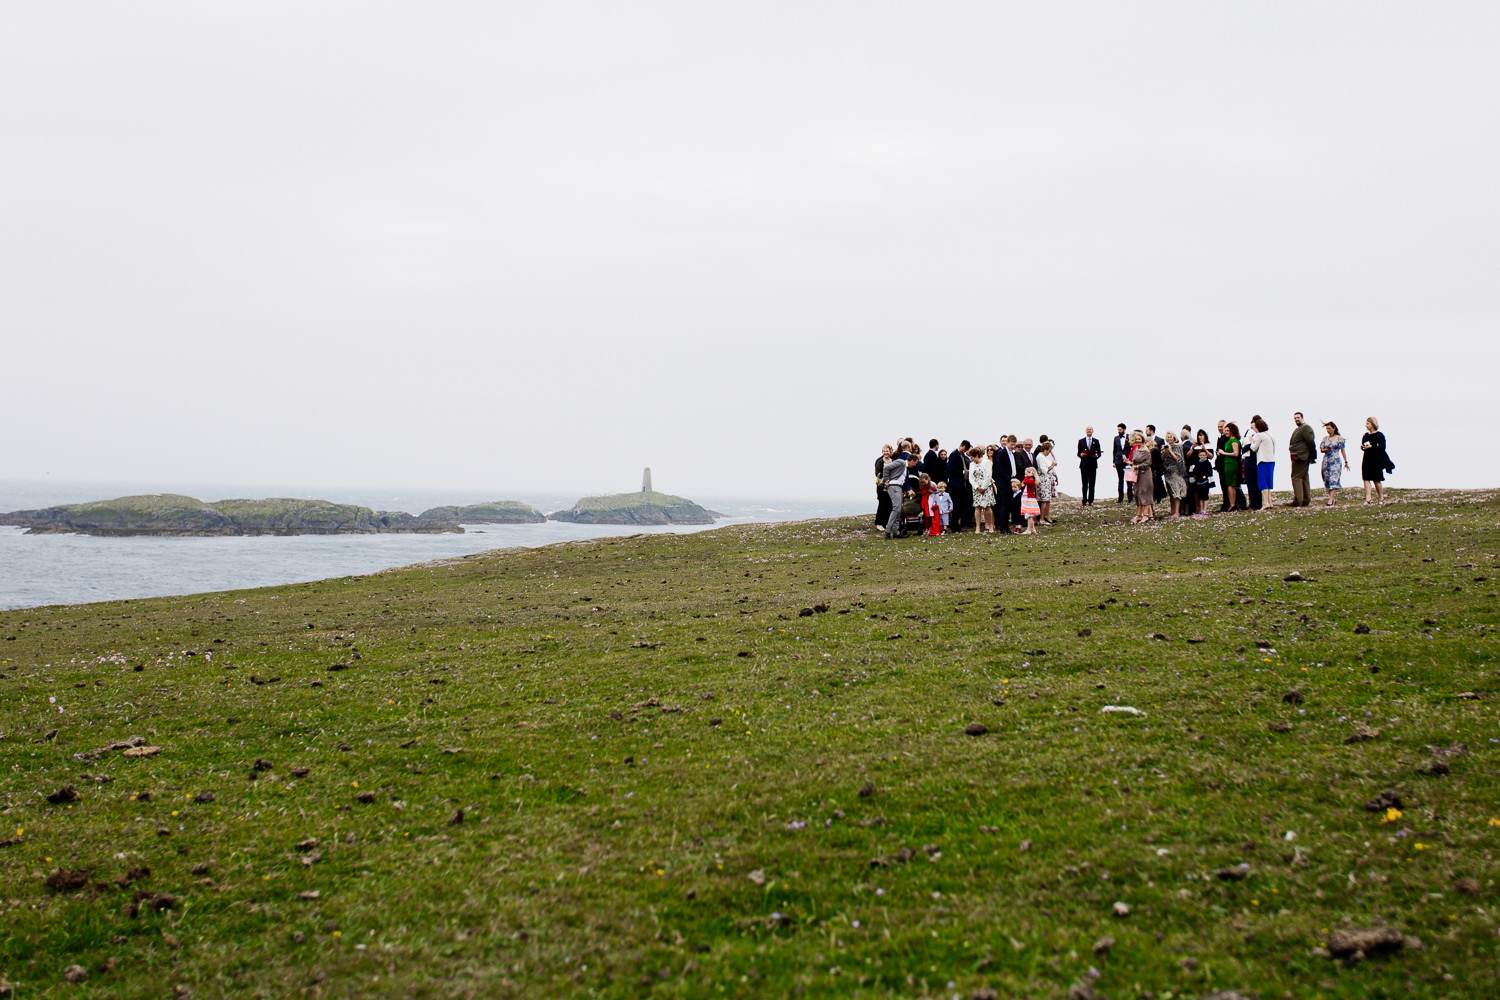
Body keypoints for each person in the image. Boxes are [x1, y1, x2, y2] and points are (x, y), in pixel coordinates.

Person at [1288, 412, 1316, 507]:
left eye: (1298, 418)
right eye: (1295, 418)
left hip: (1301, 457)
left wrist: (1312, 455)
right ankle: (1305, 499)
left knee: (1296, 477)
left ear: (1302, 418)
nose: (1296, 420)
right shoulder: (1300, 429)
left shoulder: (1305, 428)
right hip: (1300, 456)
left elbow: (1311, 442)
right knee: (1304, 477)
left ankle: (1298, 501)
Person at [880, 449, 909, 539]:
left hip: (898, 487)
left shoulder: (905, 467)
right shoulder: (901, 462)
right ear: (912, 461)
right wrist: (886, 480)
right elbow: (886, 467)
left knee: (898, 510)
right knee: (896, 509)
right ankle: (887, 531)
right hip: (894, 486)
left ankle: (896, 533)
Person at [967, 446, 996, 534]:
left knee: (987, 507)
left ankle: (990, 525)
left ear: (976, 455)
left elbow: (988, 475)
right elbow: (971, 478)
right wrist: (977, 487)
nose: (971, 459)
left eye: (972, 457)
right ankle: (978, 527)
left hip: (986, 487)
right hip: (976, 488)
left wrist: (983, 487)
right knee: (977, 507)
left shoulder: (986, 462)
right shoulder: (972, 464)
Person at [1361, 417, 1389, 504]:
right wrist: (1363, 447)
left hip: (1376, 460)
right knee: (1366, 478)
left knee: (1376, 479)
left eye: (1368, 423)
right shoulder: (1366, 435)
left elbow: (1382, 447)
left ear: (1373, 424)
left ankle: (1381, 499)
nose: (1366, 425)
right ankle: (1368, 499)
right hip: (1366, 459)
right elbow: (1362, 445)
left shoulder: (1379, 435)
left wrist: (1372, 447)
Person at [992, 439, 1018, 533]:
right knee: (1004, 505)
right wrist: (1009, 478)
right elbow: (999, 468)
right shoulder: (1001, 453)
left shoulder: (1012, 454)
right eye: (1011, 444)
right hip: (1004, 483)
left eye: (1014, 445)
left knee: (1008, 505)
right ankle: (1003, 527)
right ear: (1007, 443)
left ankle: (1006, 527)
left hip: (1011, 481)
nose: (1013, 446)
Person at [1319, 422, 1349, 506]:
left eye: (1329, 428)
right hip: (1326, 460)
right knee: (1326, 479)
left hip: (1335, 460)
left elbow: (1343, 450)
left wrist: (1346, 461)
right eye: (1327, 429)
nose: (1328, 430)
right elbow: (1321, 449)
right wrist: (1326, 450)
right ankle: (1332, 497)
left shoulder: (1339, 438)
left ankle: (1330, 500)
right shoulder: (1325, 438)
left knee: (1334, 478)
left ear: (1334, 428)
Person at [947, 442, 973, 531]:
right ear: (961, 445)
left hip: (961, 484)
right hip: (955, 484)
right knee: (957, 505)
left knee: (963, 504)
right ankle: (954, 526)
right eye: (963, 450)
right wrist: (964, 472)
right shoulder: (953, 455)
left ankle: (956, 524)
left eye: (965, 451)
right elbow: (952, 470)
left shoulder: (961, 456)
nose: (963, 452)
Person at [1129, 433, 1155, 522]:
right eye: (1136, 439)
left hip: (1145, 473)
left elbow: (1148, 463)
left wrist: (1138, 466)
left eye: (1139, 439)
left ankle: (1146, 515)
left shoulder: (1146, 450)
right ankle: (1139, 514)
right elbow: (1133, 461)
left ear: (1142, 440)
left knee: (1145, 492)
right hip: (1137, 474)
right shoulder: (1136, 450)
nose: (1137, 441)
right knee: (1138, 493)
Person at [1217, 422, 1242, 511]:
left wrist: (1224, 453)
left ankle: (1233, 504)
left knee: (1231, 484)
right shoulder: (1229, 440)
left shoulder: (1234, 441)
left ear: (1232, 431)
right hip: (1227, 463)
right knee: (1229, 484)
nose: (1226, 432)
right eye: (1225, 430)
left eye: (1228, 430)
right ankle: (1232, 504)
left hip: (1231, 464)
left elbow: (1236, 453)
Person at [1162, 431, 1187, 518]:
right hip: (1167, 472)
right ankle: (1172, 512)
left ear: (1174, 438)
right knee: (1171, 492)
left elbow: (1179, 459)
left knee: (1176, 491)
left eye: (1170, 437)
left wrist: (1171, 451)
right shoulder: (1165, 447)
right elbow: (1162, 460)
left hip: (1175, 471)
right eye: (1167, 437)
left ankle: (1177, 512)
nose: (1169, 438)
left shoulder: (1178, 446)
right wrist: (1164, 452)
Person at [1253, 417, 1276, 506]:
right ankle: (1269, 502)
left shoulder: (1259, 435)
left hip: (1263, 460)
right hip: (1271, 459)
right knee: (1269, 481)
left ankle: (1265, 503)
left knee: (1263, 481)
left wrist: (1252, 442)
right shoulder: (1271, 435)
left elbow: (1254, 448)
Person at [1035, 440, 1058, 524]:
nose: (1049, 452)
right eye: (1049, 450)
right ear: (1045, 450)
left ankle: (1044, 517)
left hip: (1047, 480)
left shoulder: (1043, 457)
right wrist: (1052, 465)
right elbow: (1044, 470)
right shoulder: (1040, 457)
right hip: (1043, 480)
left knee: (1046, 499)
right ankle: (1041, 518)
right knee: (1044, 500)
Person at [1077, 426, 1101, 505]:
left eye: (1090, 429)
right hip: (1084, 465)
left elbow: (1099, 452)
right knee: (1084, 483)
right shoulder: (1081, 441)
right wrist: (1081, 454)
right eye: (1087, 429)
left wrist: (1096, 456)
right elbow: (1078, 453)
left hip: (1093, 464)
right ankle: (1084, 500)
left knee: (1092, 483)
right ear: (1085, 431)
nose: (1089, 431)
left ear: (1093, 431)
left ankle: (1091, 500)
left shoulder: (1096, 441)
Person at [874, 444, 895, 530]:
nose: (886, 453)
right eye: (884, 451)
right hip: (882, 487)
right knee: (882, 504)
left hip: (891, 486)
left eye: (887, 451)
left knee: (889, 505)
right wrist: (886, 477)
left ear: (890, 452)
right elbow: (877, 473)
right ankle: (879, 523)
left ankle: (886, 523)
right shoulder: (880, 462)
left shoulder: (893, 461)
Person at [1242, 416, 1262, 510]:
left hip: (1253, 461)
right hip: (1249, 461)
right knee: (1251, 484)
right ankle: (1253, 503)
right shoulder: (1249, 434)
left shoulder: (1258, 436)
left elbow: (1248, 447)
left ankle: (1255, 504)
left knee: (1254, 484)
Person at [1214, 420, 1230, 511]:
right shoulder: (1220, 438)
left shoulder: (1226, 438)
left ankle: (1227, 504)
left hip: (1225, 464)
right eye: (1219, 427)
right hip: (1220, 465)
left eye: (1222, 427)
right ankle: (1225, 503)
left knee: (1226, 484)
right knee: (1223, 485)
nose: (1220, 428)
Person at [1112, 423, 1131, 503]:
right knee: (1120, 480)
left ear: (1124, 429)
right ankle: (1120, 499)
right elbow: (1114, 450)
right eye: (1118, 430)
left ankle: (1130, 498)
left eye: (1120, 430)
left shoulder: (1130, 437)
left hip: (1127, 461)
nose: (1118, 431)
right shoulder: (1116, 438)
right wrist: (1114, 461)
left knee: (1129, 480)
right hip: (1118, 461)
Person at [1019, 468, 1041, 533]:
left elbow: (1025, 482)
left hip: (1030, 500)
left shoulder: (1031, 481)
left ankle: (1029, 529)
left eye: (1027, 474)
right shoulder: (1029, 482)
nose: (1025, 475)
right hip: (1027, 499)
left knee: (1029, 516)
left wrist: (1028, 476)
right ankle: (1033, 529)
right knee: (1029, 515)